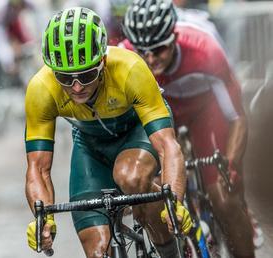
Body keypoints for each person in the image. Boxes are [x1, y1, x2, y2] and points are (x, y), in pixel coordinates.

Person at [24, 7, 192, 258]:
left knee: (130, 176)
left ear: (102, 62)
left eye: (87, 74)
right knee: (97, 252)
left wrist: (174, 202)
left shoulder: (130, 68)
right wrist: (42, 218)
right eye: (65, 78)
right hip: (90, 146)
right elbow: (38, 168)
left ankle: (173, 252)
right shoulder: (41, 88)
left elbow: (168, 146)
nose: (77, 86)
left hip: (135, 131)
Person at [121, 0, 256, 257]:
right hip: (159, 115)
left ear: (174, 37)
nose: (150, 59)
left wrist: (231, 166)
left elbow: (237, 117)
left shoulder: (205, 50)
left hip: (204, 110)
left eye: (158, 49)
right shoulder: (123, 55)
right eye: (142, 51)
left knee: (224, 197)